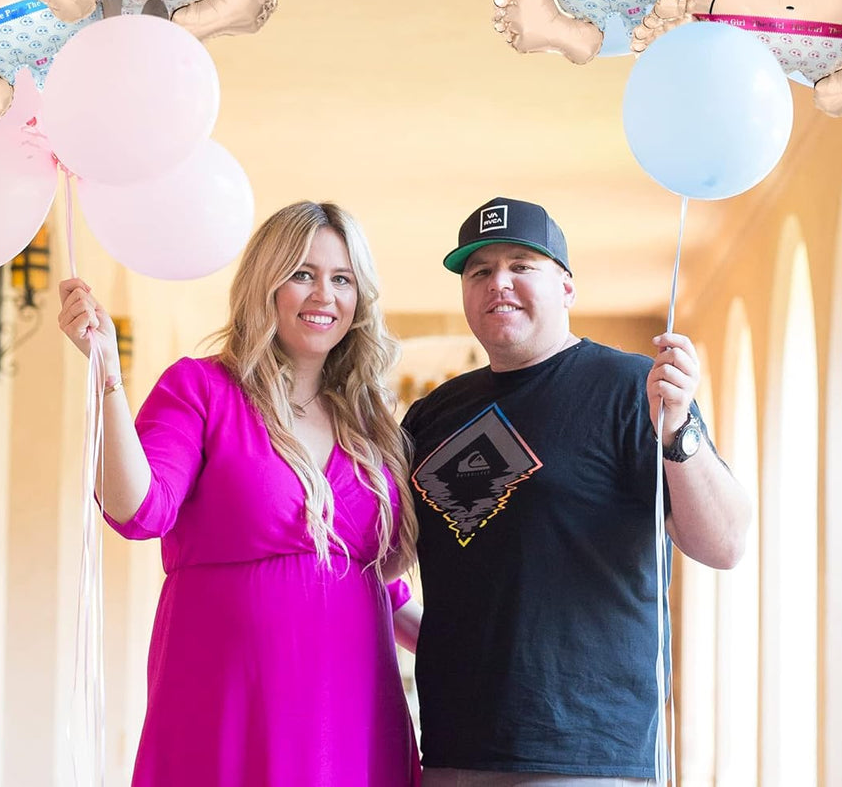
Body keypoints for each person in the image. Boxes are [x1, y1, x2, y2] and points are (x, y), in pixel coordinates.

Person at [58, 201, 419, 787]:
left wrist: (481, 653)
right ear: (265, 283)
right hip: (228, 703)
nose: (324, 295)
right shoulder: (201, 388)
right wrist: (107, 375)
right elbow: (137, 509)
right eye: (302, 273)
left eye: (342, 279)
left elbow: (378, 578)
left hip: (350, 714)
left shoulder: (371, 422)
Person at [400, 197, 752, 786]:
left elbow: (726, 543)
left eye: (521, 265)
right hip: (449, 747)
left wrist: (678, 430)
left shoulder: (632, 388)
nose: (498, 282)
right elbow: (386, 555)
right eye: (479, 271)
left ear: (566, 287)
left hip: (585, 750)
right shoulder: (434, 415)